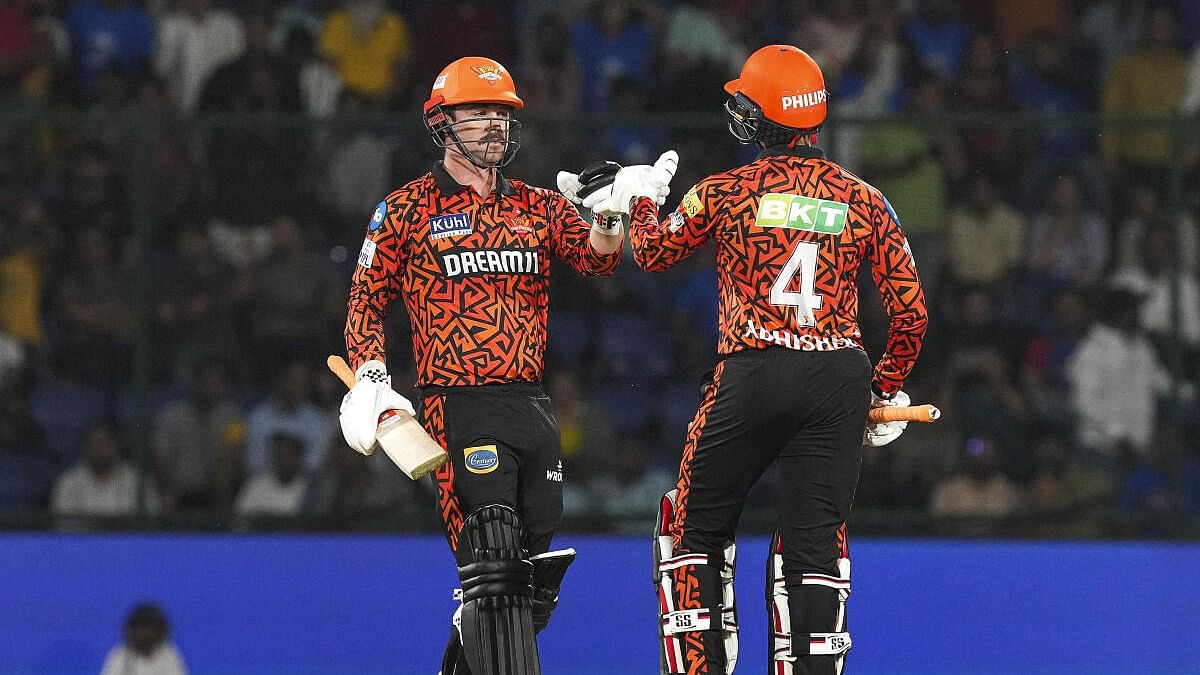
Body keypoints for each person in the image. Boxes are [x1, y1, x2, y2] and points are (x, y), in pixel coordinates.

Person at [569, 45, 928, 674]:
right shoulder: (866, 200)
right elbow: (912, 313)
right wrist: (888, 388)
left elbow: (651, 254)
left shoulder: (728, 191)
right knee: (816, 547)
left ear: (766, 118)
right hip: (839, 379)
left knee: (690, 529)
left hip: (754, 371)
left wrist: (642, 197)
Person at [336, 56, 670, 675]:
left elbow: (598, 260)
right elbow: (365, 299)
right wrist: (373, 376)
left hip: (530, 404)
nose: (493, 124)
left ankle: (465, 648)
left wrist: (613, 213)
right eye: (478, 113)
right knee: (494, 559)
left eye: (501, 113)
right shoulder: (407, 208)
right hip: (453, 403)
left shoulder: (538, 204)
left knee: (525, 572)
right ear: (442, 123)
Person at [99, 602, 188, 675]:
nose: (145, 633)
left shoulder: (169, 654)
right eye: (141, 628)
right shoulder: (121, 655)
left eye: (149, 628)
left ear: (159, 631)